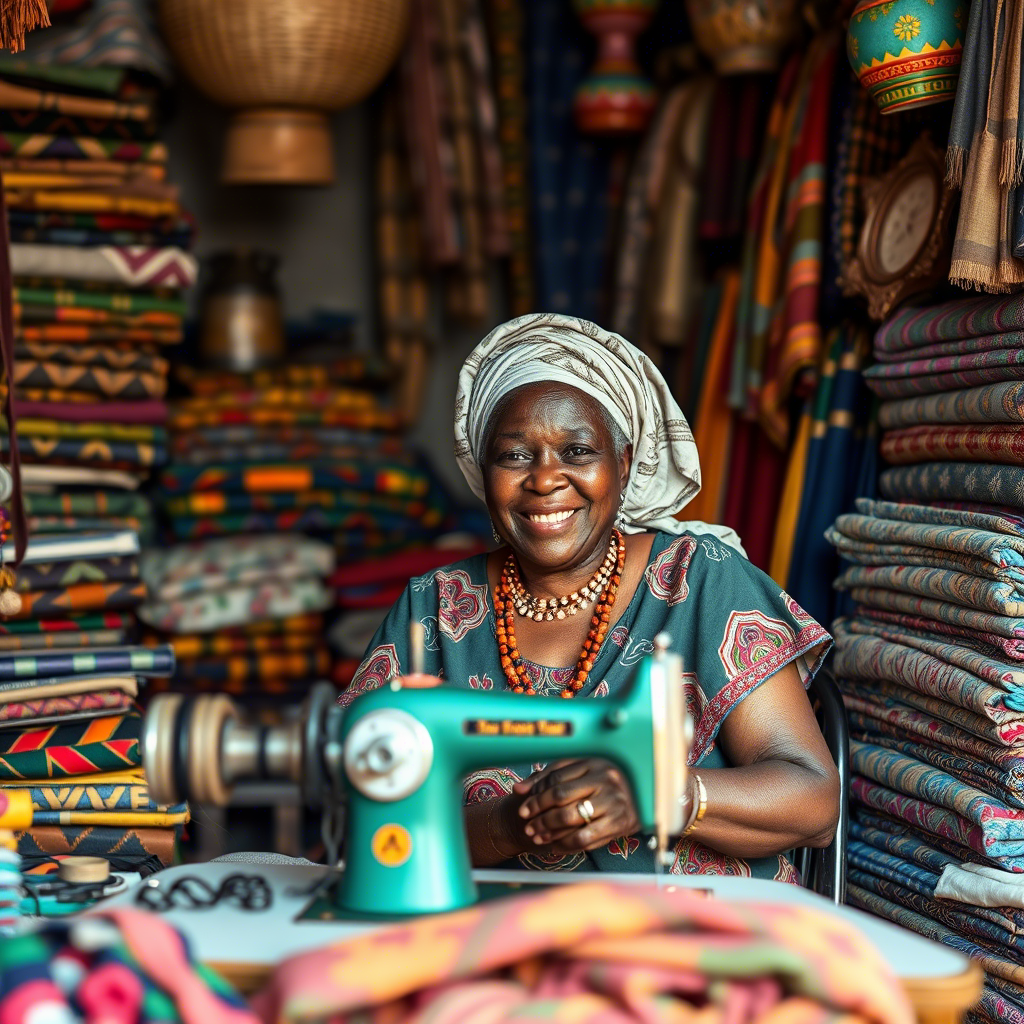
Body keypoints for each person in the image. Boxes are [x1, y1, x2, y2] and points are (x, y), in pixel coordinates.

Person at [342, 313, 839, 880]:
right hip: (485, 935)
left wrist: (656, 793)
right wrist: (509, 826)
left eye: (577, 452)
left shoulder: (699, 581)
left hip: (691, 938)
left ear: (622, 465)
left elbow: (813, 800)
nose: (546, 480)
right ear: (484, 473)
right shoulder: (431, 609)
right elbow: (360, 810)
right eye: (514, 456)